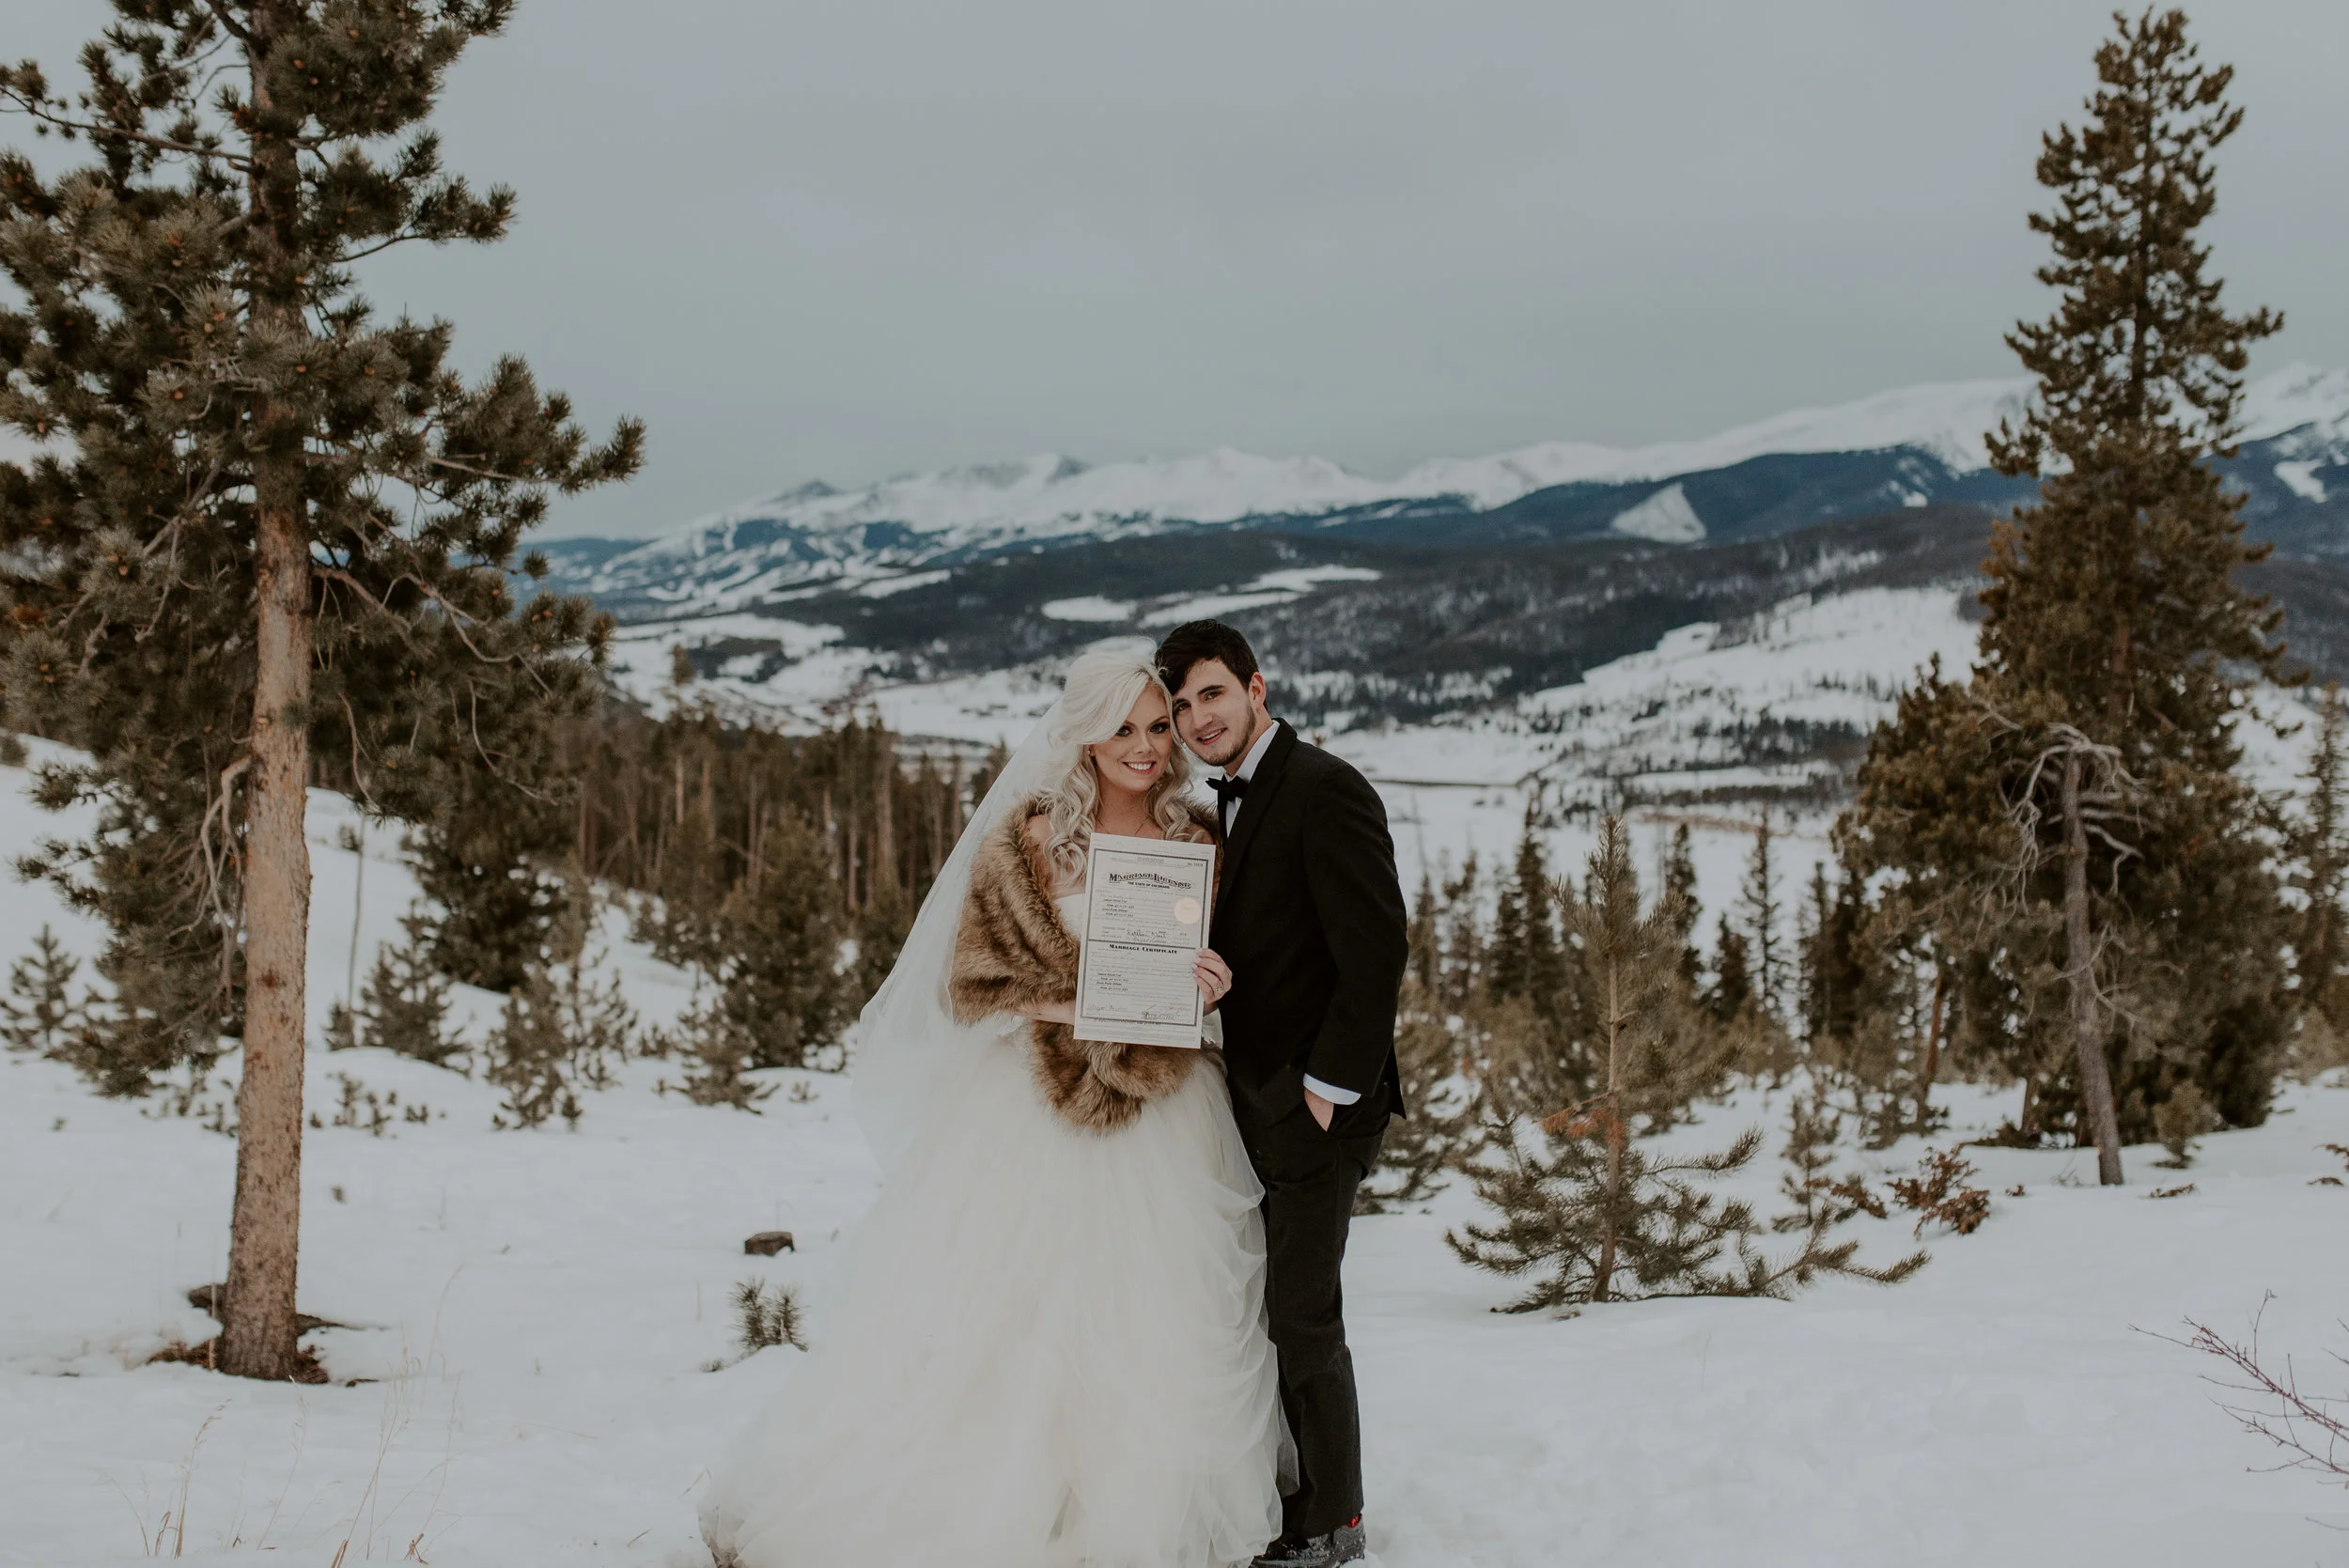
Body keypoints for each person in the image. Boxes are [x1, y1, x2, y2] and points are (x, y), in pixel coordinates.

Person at [699, 646, 1285, 1568]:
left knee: (1151, 1316)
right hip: (1032, 1108)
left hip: (1165, 1108)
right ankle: (1008, 1500)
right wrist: (1082, 1003)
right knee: (1018, 1313)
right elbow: (974, 984)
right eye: (1121, 728)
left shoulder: (1201, 841)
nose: (1143, 746)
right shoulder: (1035, 837)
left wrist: (1209, 986)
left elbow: (1222, 975)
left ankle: (1130, 1502)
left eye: (1156, 725)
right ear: (1083, 736)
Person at [1156, 621, 1409, 1568]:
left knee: (1303, 1315)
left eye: (1212, 694)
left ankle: (1333, 1523)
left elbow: (1376, 950)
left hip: (1317, 1104)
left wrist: (1325, 1090)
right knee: (1267, 1311)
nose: (1198, 718)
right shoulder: (1220, 803)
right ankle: (1288, 1490)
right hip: (1253, 1096)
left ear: (1256, 687)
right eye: (1182, 705)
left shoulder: (1324, 787)